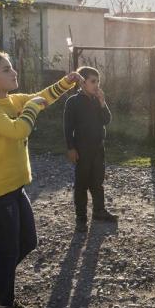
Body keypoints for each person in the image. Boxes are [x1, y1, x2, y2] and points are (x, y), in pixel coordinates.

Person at [0, 51, 81, 308]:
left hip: (13, 188)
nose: (13, 72)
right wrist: (32, 109)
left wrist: (66, 82)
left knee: (28, 242)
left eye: (11, 67)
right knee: (9, 251)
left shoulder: (11, 100)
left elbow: (41, 97)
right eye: (6, 69)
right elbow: (18, 130)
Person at [64, 66, 118, 233]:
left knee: (97, 181)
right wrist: (71, 148)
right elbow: (67, 127)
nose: (96, 85)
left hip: (98, 148)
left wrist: (103, 102)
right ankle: (81, 218)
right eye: (93, 81)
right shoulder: (73, 102)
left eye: (98, 81)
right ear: (82, 82)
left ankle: (99, 211)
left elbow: (106, 120)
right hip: (82, 149)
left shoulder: (97, 101)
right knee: (81, 184)